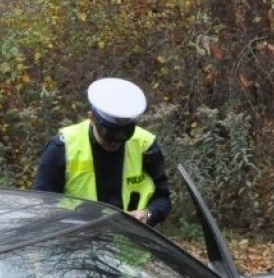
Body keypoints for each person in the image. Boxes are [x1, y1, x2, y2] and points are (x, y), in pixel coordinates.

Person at [33, 77, 171, 226]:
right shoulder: (63, 147)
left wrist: (148, 213)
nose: (115, 143)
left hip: (129, 237)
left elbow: (162, 197)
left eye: (122, 138)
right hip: (76, 236)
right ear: (91, 118)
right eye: (108, 136)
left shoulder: (145, 145)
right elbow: (42, 203)